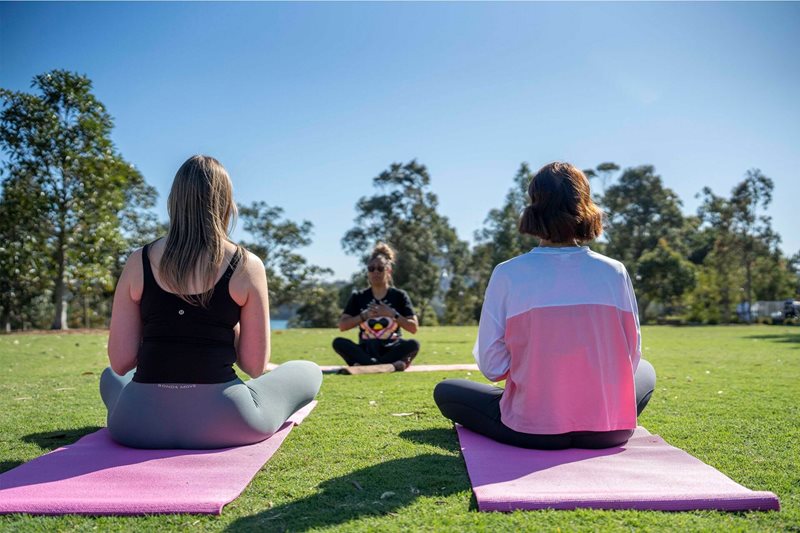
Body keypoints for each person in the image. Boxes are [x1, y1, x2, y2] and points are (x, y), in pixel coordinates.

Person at [100, 155, 322, 449]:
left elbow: (120, 362)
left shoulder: (137, 261)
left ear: (173, 202)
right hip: (227, 422)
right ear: (226, 203)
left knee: (108, 378)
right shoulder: (246, 264)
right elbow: (254, 366)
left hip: (136, 425)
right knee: (308, 370)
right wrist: (224, 327)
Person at [434, 162, 656, 450]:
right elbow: (631, 355)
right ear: (586, 205)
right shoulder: (614, 271)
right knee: (645, 370)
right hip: (609, 431)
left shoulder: (508, 273)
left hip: (532, 430)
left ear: (533, 207)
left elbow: (493, 366)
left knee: (447, 391)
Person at [332, 243, 420, 371]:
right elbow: (342, 326)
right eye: (371, 269)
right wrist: (364, 316)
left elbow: (413, 327)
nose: (375, 272)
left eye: (380, 268)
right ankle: (389, 365)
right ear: (367, 271)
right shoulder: (359, 296)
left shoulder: (399, 296)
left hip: (392, 348)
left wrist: (392, 314)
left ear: (388, 270)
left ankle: (367, 365)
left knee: (413, 344)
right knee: (338, 342)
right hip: (366, 349)